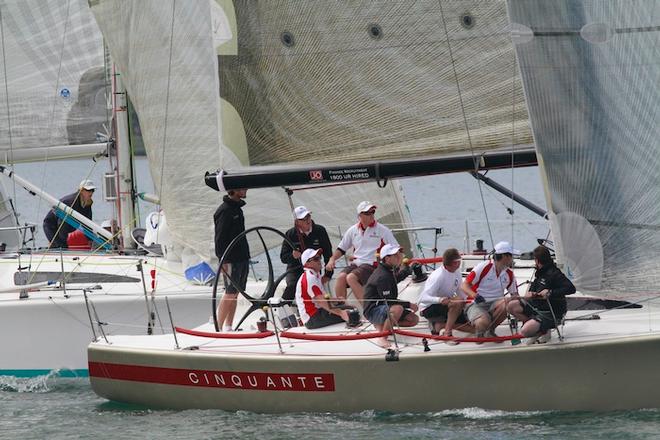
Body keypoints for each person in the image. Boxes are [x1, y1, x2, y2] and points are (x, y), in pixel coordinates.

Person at [325, 201, 398, 304]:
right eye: (368, 213)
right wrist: (331, 259)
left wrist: (397, 266)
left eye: (373, 212)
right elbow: (341, 249)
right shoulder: (352, 230)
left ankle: (368, 310)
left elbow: (396, 248)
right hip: (357, 264)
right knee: (341, 277)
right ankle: (343, 311)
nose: (371, 215)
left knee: (350, 278)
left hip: (373, 265)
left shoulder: (382, 230)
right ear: (360, 216)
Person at [507, 245, 576, 343]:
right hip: (536, 308)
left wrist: (550, 292)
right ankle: (540, 329)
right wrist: (530, 293)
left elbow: (571, 288)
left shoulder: (555, 273)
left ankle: (539, 329)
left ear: (537, 260)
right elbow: (532, 289)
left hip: (551, 312)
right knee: (511, 306)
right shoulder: (539, 273)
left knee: (525, 331)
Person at [363, 243, 418, 347]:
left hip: (384, 306)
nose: (400, 257)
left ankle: (383, 326)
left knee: (414, 319)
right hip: (373, 310)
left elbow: (395, 279)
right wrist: (409, 304)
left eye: (399, 254)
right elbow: (389, 301)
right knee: (398, 309)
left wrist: (407, 270)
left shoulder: (388, 270)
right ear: (387, 258)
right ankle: (382, 337)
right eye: (396, 255)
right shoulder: (382, 276)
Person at [460, 241, 519, 338]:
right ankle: (480, 331)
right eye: (511, 256)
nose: (512, 259)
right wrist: (475, 295)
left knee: (507, 304)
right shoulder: (484, 267)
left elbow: (515, 295)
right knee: (482, 322)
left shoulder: (509, 274)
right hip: (476, 303)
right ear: (505, 256)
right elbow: (464, 285)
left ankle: (490, 331)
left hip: (495, 304)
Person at [280, 206, 333, 302]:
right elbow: (283, 257)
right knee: (292, 286)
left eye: (308, 217)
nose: (307, 220)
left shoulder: (320, 231)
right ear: (297, 222)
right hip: (295, 269)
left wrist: (328, 275)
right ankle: (284, 307)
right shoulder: (290, 234)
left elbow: (328, 254)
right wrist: (293, 256)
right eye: (303, 219)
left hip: (314, 269)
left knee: (316, 287)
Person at [214, 188, 249, 332]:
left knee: (236, 292)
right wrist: (222, 260)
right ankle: (218, 328)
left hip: (242, 257)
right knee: (229, 292)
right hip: (230, 259)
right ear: (233, 190)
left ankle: (229, 327)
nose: (246, 189)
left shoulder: (237, 209)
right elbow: (219, 238)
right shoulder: (225, 210)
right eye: (242, 188)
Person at [295, 248, 357, 329]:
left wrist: (335, 300)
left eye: (319, 257)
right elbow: (321, 301)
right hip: (312, 318)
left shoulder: (314, 275)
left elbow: (322, 298)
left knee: (347, 308)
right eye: (316, 259)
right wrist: (341, 313)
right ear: (307, 264)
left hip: (317, 313)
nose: (319, 260)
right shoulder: (310, 277)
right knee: (351, 313)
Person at [418, 248, 474, 336]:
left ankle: (440, 325)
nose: (459, 264)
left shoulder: (457, 272)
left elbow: (460, 291)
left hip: (446, 305)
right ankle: (447, 332)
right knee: (457, 301)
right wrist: (439, 300)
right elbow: (422, 298)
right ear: (454, 263)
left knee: (474, 329)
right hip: (428, 308)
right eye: (458, 261)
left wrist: (469, 302)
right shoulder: (438, 276)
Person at [43, 179, 96, 248]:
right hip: (52, 225)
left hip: (64, 226)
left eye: (93, 190)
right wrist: (64, 241)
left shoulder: (87, 203)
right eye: (89, 190)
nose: (91, 193)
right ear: (81, 191)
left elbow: (87, 223)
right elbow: (62, 223)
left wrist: (90, 239)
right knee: (61, 247)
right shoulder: (71, 202)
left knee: (62, 246)